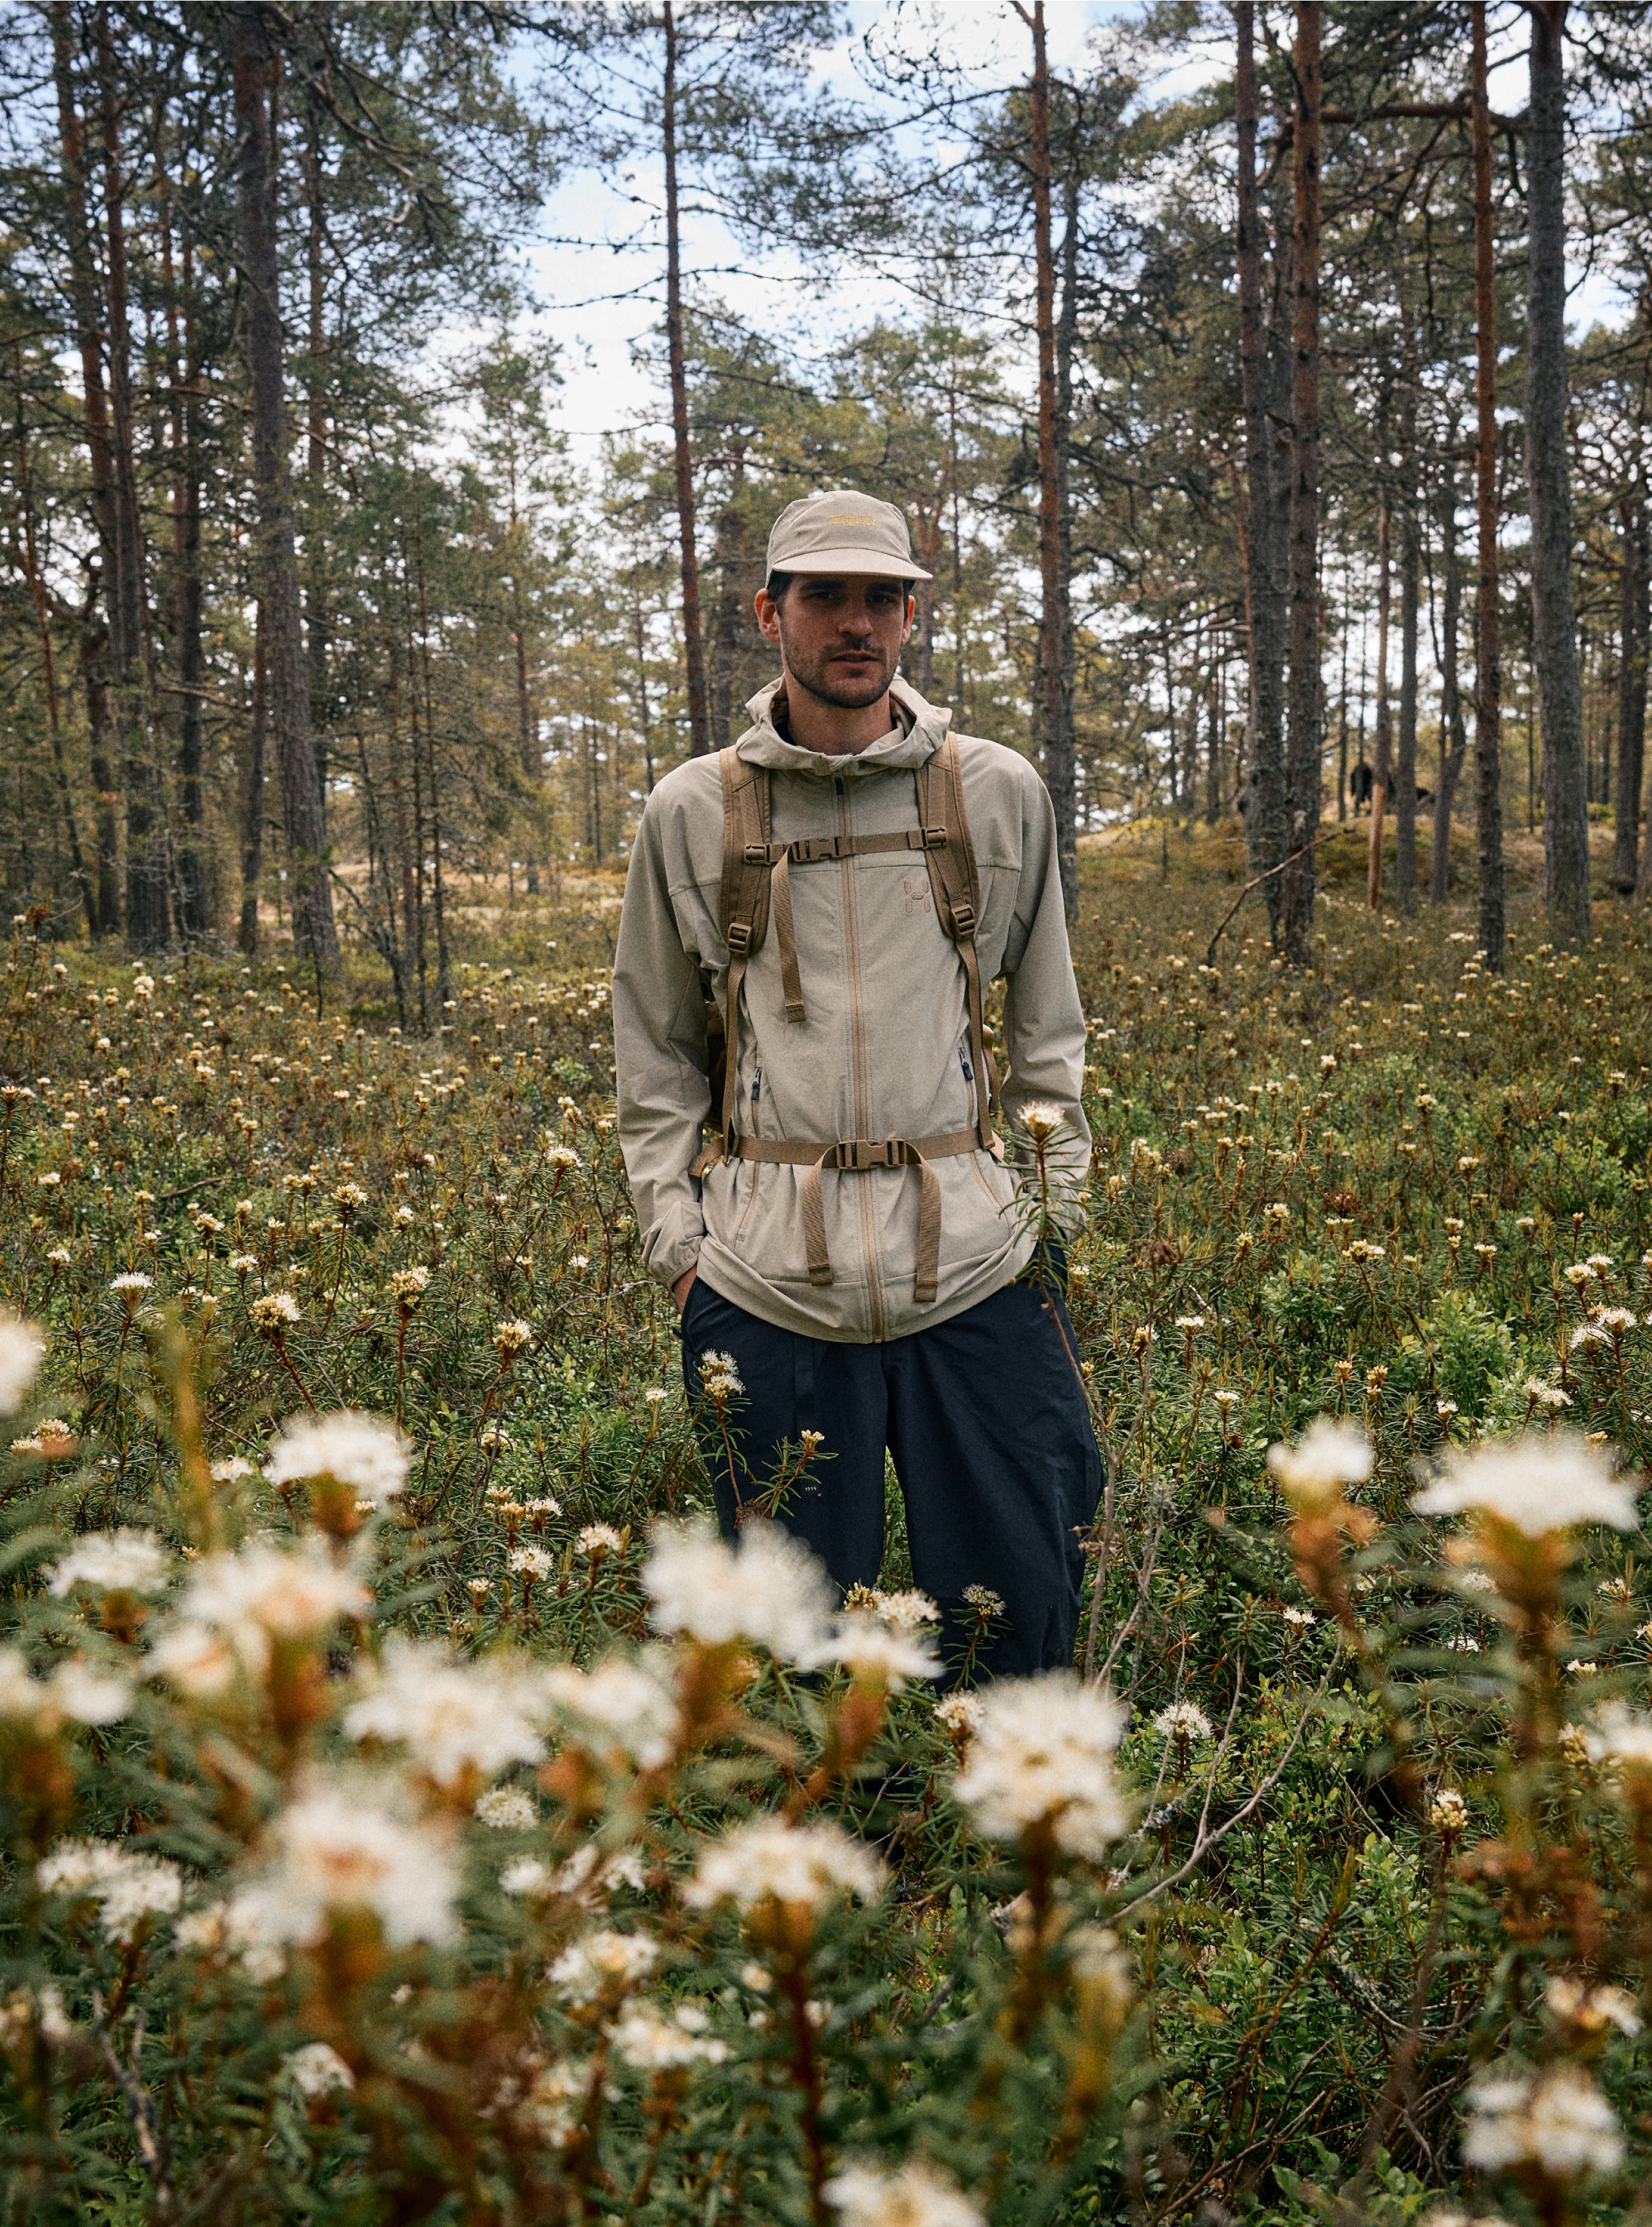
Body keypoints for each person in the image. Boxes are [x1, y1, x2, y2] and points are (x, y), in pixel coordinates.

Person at [612, 487, 1096, 1679]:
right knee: (785, 1652)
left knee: (1017, 1613)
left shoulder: (995, 792)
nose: (856, 623)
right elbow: (657, 1051)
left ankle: (997, 1854)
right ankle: (827, 1852)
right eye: (825, 595)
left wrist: (1051, 1220)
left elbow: (1049, 1034)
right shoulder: (690, 812)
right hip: (767, 1284)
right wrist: (683, 1250)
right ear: (768, 611)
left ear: (914, 616)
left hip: (981, 1271)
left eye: (883, 596)